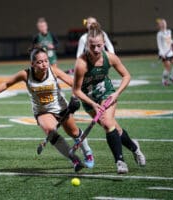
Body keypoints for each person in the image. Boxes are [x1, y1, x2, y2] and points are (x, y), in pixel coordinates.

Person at [0, 48, 95, 172]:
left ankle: (87, 152)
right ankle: (74, 159)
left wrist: (75, 98)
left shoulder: (53, 71)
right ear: (32, 64)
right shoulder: (25, 74)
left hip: (60, 107)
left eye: (46, 61)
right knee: (51, 131)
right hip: (42, 111)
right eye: (39, 62)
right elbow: (7, 83)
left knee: (74, 132)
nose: (44, 64)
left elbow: (74, 83)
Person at [73, 23, 146, 174]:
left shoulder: (110, 58)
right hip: (89, 101)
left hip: (107, 93)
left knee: (107, 123)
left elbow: (126, 76)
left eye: (99, 45)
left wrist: (116, 93)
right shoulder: (81, 64)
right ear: (87, 44)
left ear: (104, 43)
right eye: (92, 46)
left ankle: (120, 161)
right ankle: (134, 147)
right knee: (113, 127)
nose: (96, 50)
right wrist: (93, 104)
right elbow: (76, 90)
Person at [156, 18, 173, 86]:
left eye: (164, 23)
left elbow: (169, 41)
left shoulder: (169, 31)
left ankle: (172, 78)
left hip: (170, 53)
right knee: (168, 68)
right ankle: (164, 81)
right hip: (164, 54)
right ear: (160, 25)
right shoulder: (159, 34)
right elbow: (159, 45)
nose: (163, 24)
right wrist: (162, 54)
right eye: (162, 23)